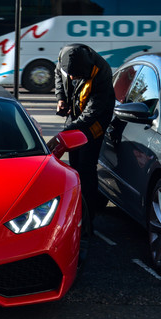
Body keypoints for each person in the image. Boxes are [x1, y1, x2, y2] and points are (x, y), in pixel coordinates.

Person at [54, 43, 115, 221]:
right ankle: (75, 210)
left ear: (86, 70)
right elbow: (59, 75)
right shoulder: (64, 57)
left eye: (77, 76)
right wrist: (61, 99)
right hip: (74, 117)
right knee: (74, 168)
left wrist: (66, 131)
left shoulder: (101, 71)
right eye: (70, 74)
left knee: (86, 168)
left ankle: (88, 218)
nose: (72, 77)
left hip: (93, 124)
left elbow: (92, 113)